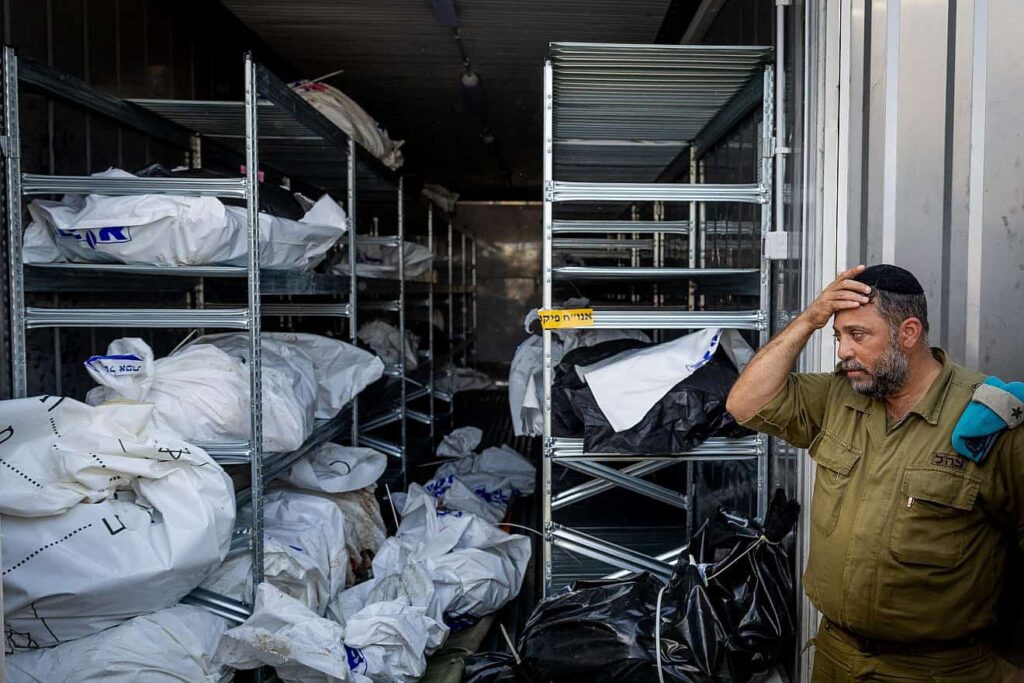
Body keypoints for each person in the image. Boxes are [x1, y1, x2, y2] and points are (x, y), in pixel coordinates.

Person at [726, 263, 1021, 682]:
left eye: (858, 336)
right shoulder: (839, 397)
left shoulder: (986, 419)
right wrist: (810, 319)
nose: (843, 351)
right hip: (837, 658)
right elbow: (745, 403)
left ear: (909, 333)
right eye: (839, 337)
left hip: (938, 670)